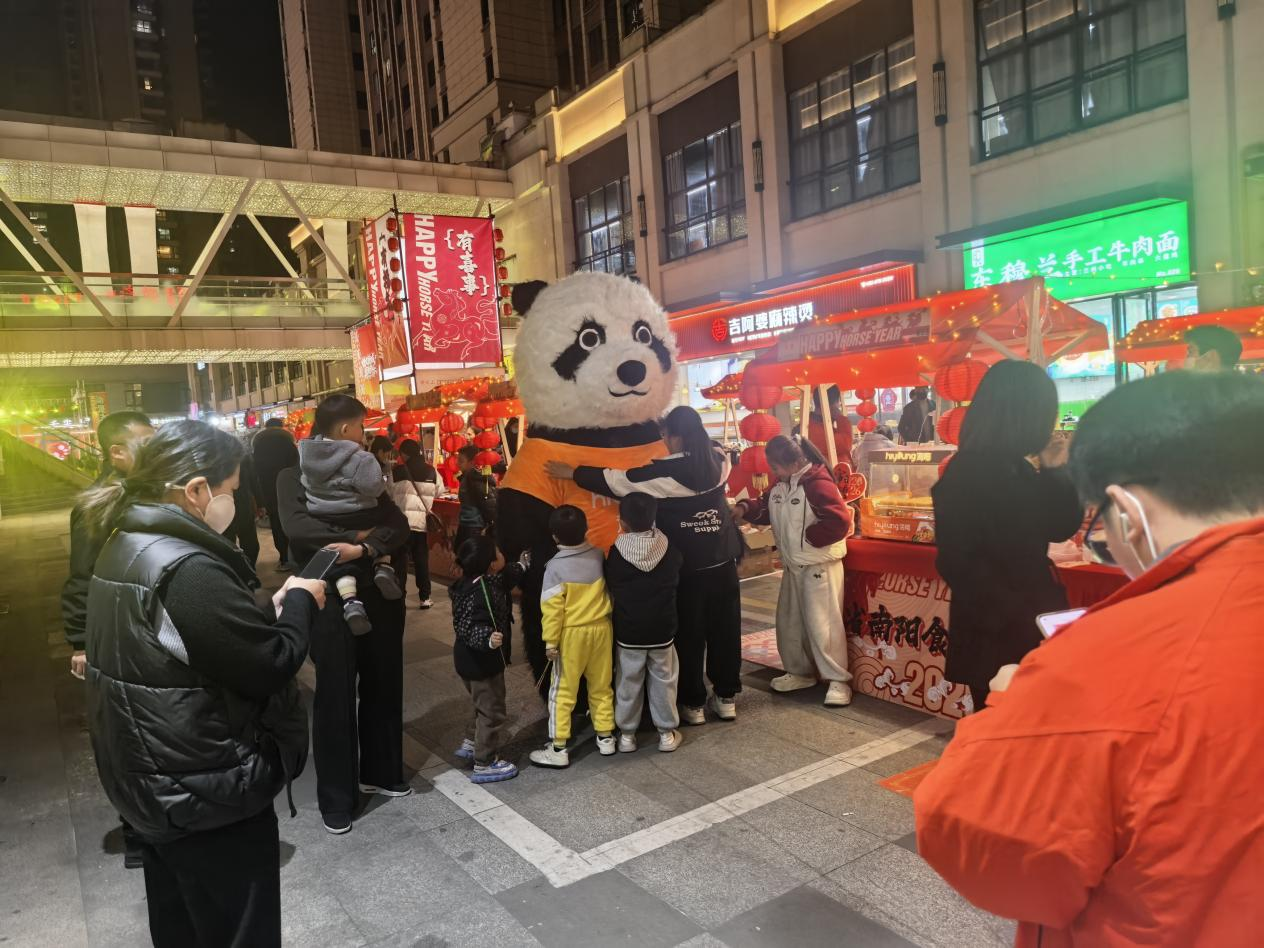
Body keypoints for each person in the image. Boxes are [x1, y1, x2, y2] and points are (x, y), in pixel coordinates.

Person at [915, 370, 1264, 948]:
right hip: (998, 614)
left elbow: (975, 843)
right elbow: (960, 561)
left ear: (1126, 511)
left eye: (1101, 519)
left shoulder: (1097, 662)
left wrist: (1015, 712)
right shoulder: (966, 475)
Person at [78, 420, 325, 947]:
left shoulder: (126, 542)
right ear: (196, 490)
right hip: (206, 790)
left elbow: (192, 643)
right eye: (231, 489)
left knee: (181, 929)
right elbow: (269, 664)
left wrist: (262, 611)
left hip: (155, 781)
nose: (233, 503)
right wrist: (301, 602)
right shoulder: (186, 567)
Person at [553, 405, 744, 725]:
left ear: (677, 437)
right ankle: (726, 698)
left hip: (687, 567)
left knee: (689, 635)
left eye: (666, 435)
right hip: (723, 560)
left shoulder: (663, 474)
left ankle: (693, 704)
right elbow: (711, 448)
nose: (664, 441)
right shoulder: (719, 460)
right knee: (726, 631)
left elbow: (617, 481)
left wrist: (572, 472)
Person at [277, 396, 412, 836]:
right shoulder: (292, 475)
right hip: (326, 594)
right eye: (359, 427)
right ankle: (337, 797)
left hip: (379, 590)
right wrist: (359, 535)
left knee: (384, 680)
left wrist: (365, 547)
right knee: (334, 692)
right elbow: (299, 530)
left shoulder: (363, 466)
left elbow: (398, 523)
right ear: (341, 428)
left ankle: (382, 770)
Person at [931, 360, 1082, 710]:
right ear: (1023, 414)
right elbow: (956, 563)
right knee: (1006, 722)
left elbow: (1060, 526)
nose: (1049, 422)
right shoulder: (968, 472)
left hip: (1024, 621)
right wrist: (1014, 615)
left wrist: (1056, 470)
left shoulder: (1019, 467)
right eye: (1046, 412)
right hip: (997, 632)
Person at [60, 409, 154, 870]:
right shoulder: (98, 504)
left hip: (152, 626)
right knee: (130, 733)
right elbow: (80, 577)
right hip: (119, 631)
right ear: (117, 451)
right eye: (145, 442)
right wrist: (80, 641)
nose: (155, 448)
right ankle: (138, 832)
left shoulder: (150, 489)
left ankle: (157, 821)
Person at [735, 435, 854, 706]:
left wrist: (808, 539)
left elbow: (839, 521)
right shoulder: (783, 484)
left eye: (775, 466)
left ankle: (838, 680)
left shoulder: (817, 484)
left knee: (824, 625)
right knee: (791, 623)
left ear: (794, 462)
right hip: (793, 565)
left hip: (817, 565)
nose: (773, 472)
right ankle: (800, 672)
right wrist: (745, 508)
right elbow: (765, 507)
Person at [298, 395, 403, 635]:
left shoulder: (307, 454)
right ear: (346, 429)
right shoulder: (361, 458)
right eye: (361, 426)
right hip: (359, 513)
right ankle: (383, 567)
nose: (363, 432)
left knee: (340, 562)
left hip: (325, 514)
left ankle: (351, 602)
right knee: (384, 523)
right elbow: (374, 488)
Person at [529, 505, 617, 768]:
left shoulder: (554, 567)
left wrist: (550, 642)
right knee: (601, 685)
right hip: (602, 629)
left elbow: (552, 609)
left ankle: (558, 747)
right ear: (586, 528)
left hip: (571, 635)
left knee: (563, 690)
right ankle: (606, 737)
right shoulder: (598, 555)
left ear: (554, 536)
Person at [605, 492, 684, 753]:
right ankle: (666, 734)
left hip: (629, 631)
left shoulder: (616, 553)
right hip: (662, 628)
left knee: (628, 681)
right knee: (664, 680)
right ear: (654, 517)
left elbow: (612, 584)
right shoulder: (668, 548)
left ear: (622, 521)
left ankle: (627, 735)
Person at [449, 536, 526, 784]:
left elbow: (507, 576)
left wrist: (522, 565)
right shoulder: (479, 591)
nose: (503, 554)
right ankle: (485, 762)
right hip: (482, 660)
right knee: (492, 711)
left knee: (480, 703)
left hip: (467, 660)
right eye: (499, 552)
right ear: (492, 564)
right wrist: (487, 639)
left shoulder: (475, 581)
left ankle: (471, 741)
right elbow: (471, 624)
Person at [390, 438, 441, 609]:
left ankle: (399, 596)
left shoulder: (397, 471)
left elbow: (388, 491)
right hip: (420, 524)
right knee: (421, 561)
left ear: (405, 454)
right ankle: (425, 598)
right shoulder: (431, 471)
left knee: (400, 562)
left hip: (402, 523)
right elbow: (439, 490)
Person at [252, 418, 299, 569]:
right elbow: (297, 467)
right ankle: (297, 556)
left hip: (268, 491)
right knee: (293, 521)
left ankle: (284, 558)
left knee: (277, 524)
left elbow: (255, 471)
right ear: (281, 427)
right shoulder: (288, 443)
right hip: (289, 489)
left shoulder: (258, 445)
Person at [222, 445, 261, 567]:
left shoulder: (241, 456)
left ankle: (245, 569)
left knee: (240, 542)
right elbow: (254, 480)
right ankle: (246, 569)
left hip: (234, 503)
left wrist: (260, 503)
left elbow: (253, 480)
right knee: (244, 542)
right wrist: (260, 503)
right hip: (236, 503)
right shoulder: (241, 455)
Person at [455, 444, 497, 550]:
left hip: (474, 527)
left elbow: (488, 505)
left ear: (472, 462)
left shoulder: (476, 479)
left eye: (461, 461)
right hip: (466, 524)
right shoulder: (467, 477)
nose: (457, 463)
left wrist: (490, 525)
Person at [808, 385, 854, 468]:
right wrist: (840, 418)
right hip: (833, 474)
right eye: (838, 404)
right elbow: (846, 444)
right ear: (833, 405)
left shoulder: (817, 426)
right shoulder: (815, 429)